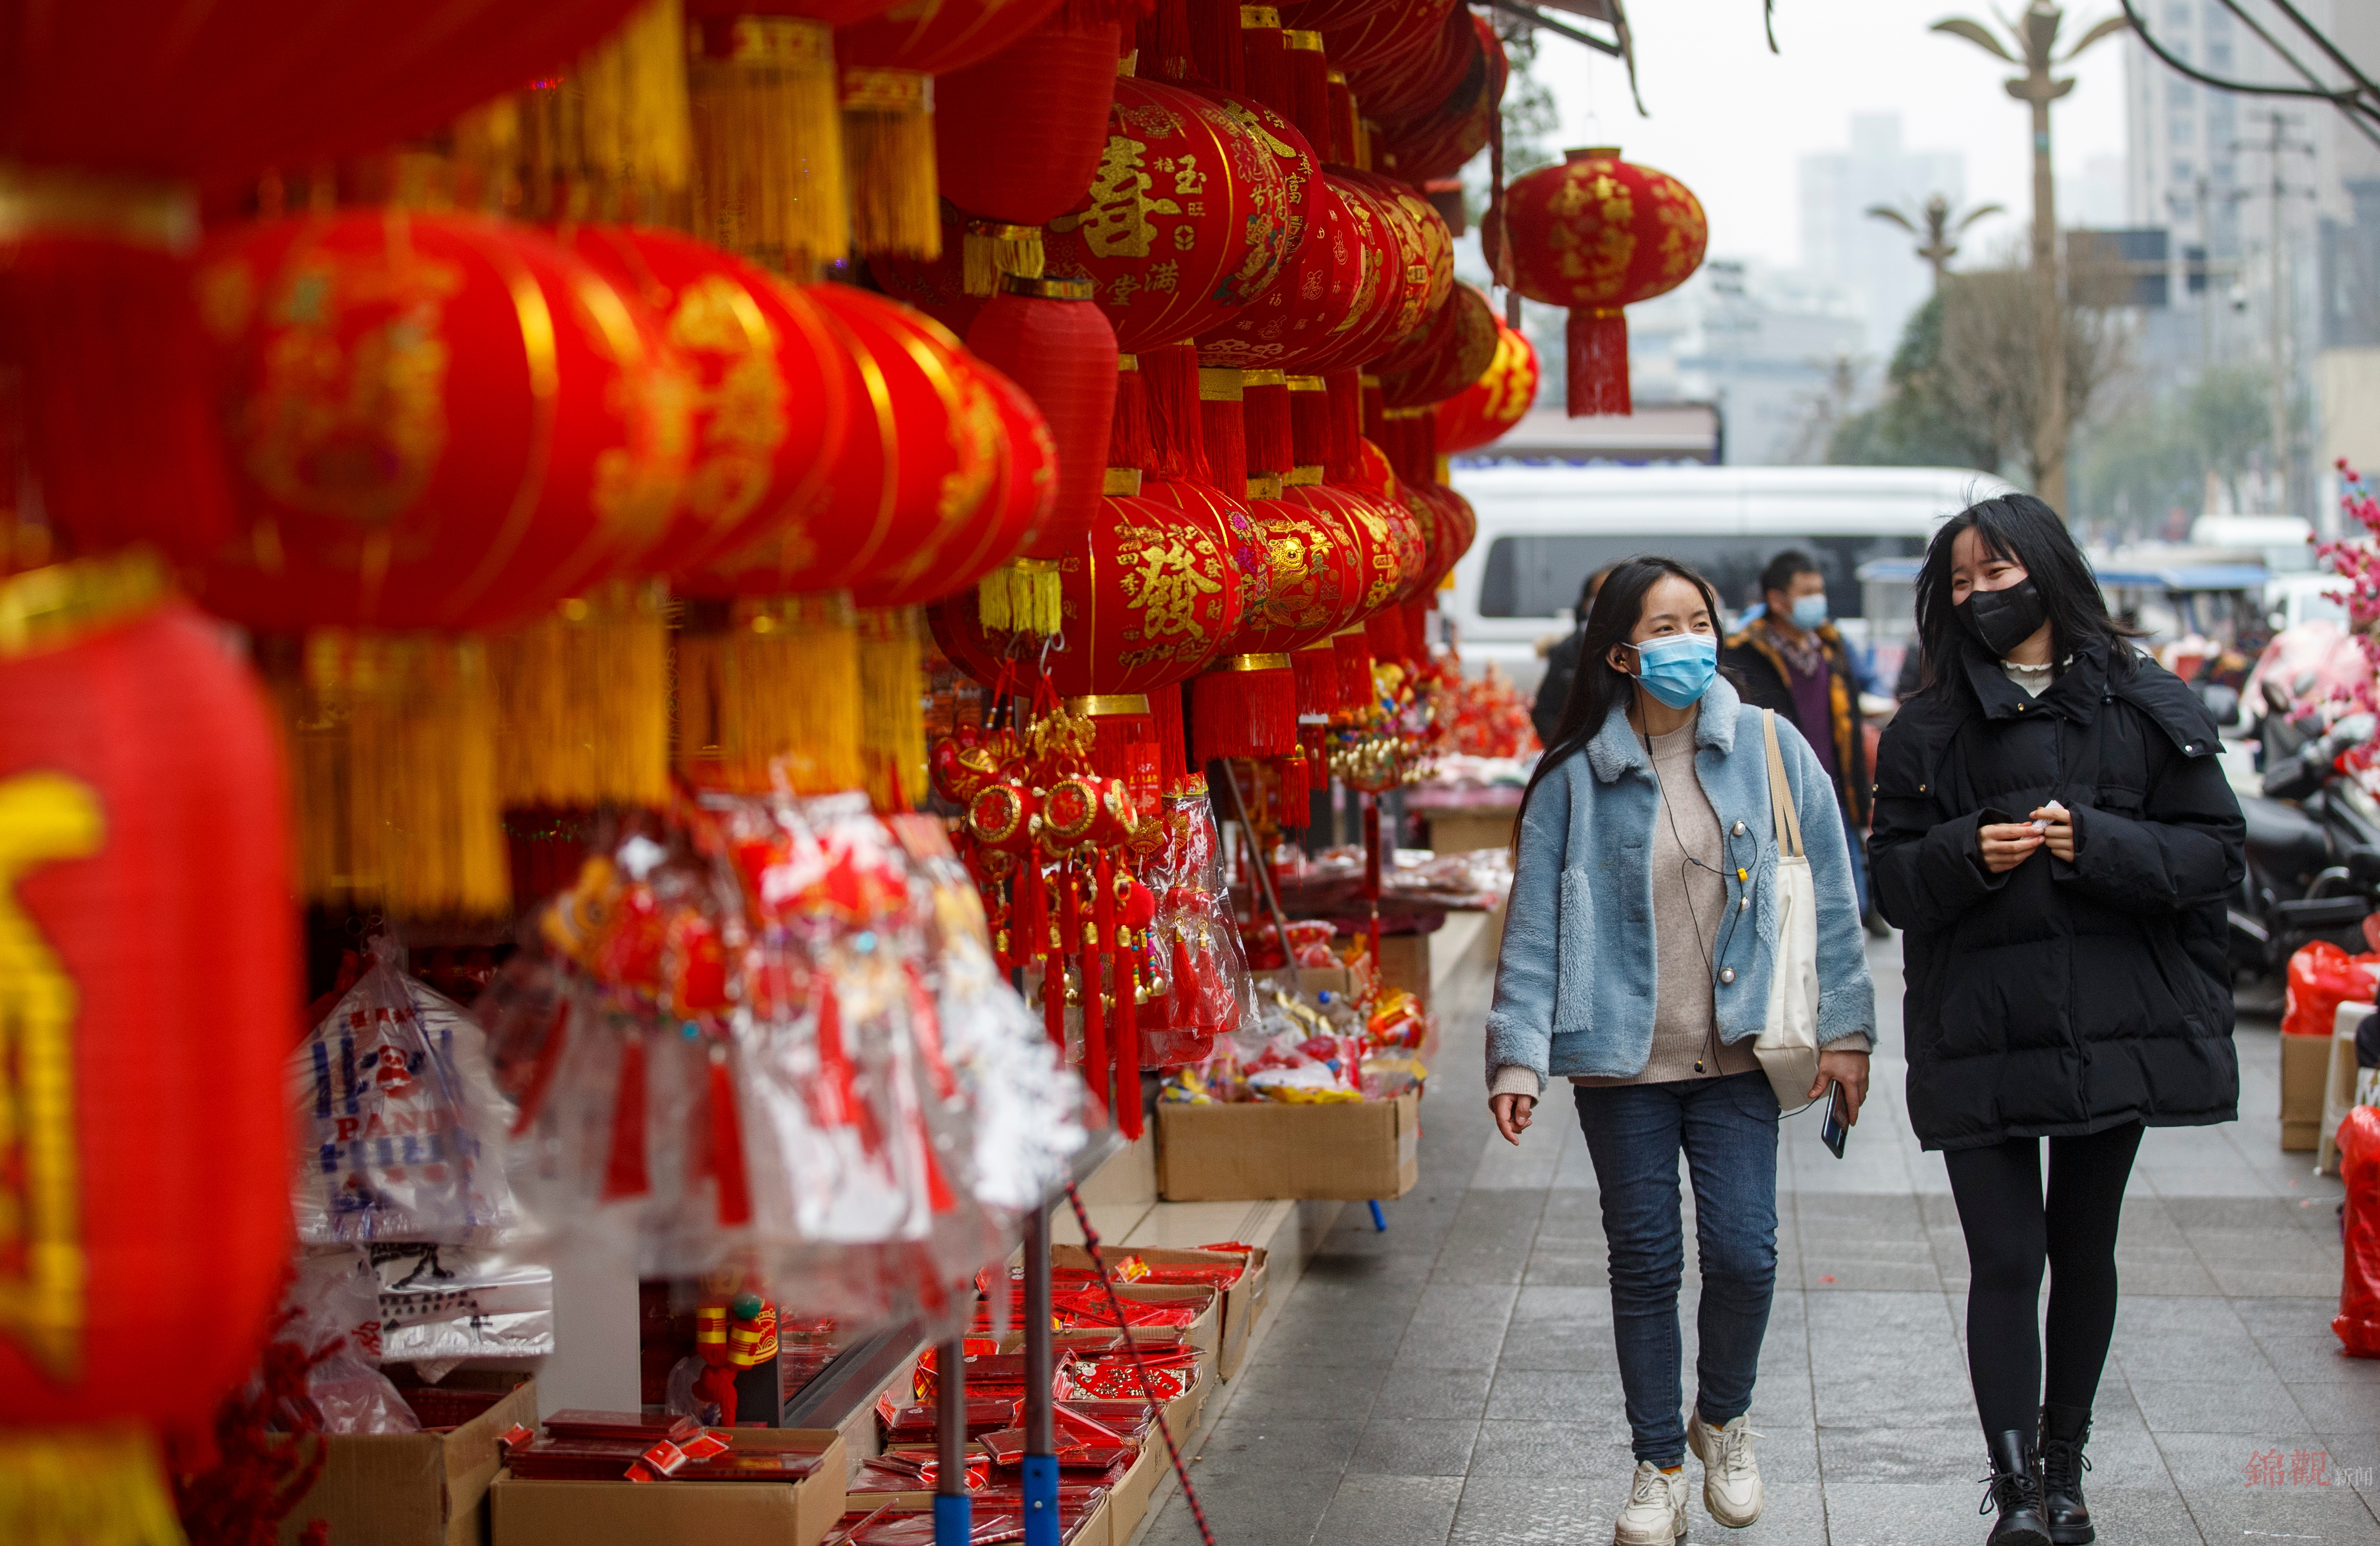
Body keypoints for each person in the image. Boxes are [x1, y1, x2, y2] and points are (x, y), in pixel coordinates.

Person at [1869, 494, 2244, 1546]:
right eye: (1958, 582)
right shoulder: (1923, 727)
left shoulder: (2146, 703)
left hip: (2108, 1025)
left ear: (2045, 569)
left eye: (1995, 573)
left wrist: (2096, 844)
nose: (1978, 595)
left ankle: (2065, 1468)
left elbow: (2215, 855)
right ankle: (2014, 1487)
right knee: (2003, 1256)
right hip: (1974, 1029)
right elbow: (1890, 883)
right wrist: (1963, 851)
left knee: (2083, 1250)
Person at [1486, 557, 1876, 1545]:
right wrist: (1516, 1056)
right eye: (1662, 628)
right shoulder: (1573, 779)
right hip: (1621, 1064)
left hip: (1741, 1055)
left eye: (1695, 620)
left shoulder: (1770, 747)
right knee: (1644, 1260)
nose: (1686, 642)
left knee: (1744, 1254)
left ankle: (1723, 1416)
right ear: (1619, 652)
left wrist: (1847, 1031)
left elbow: (1829, 895)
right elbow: (1532, 928)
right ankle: (1656, 1459)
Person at [1724, 551, 1886, 936]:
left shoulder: (1830, 648)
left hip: (1833, 789)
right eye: (1807, 591)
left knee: (1844, 905)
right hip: (1774, 796)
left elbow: (1846, 724)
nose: (1818, 599)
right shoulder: (1746, 653)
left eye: (1819, 590)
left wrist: (1859, 794)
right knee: (1786, 907)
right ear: (1777, 600)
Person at [1530, 565, 1612, 748]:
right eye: (1599, 596)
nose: (1607, 603)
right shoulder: (1569, 651)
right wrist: (1565, 750)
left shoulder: (1642, 650)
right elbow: (1545, 712)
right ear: (1586, 603)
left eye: (1614, 595)